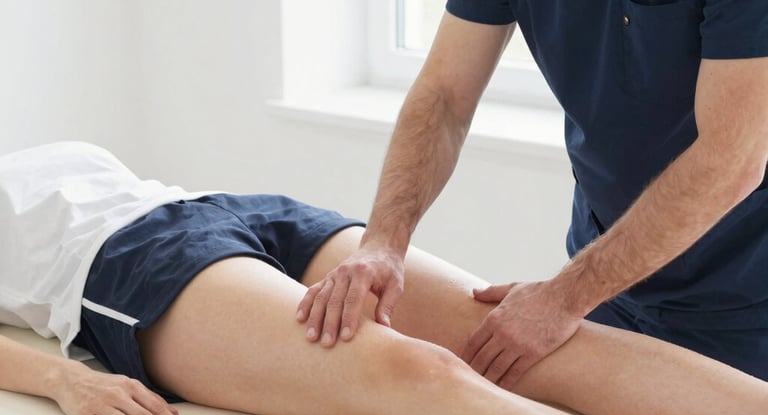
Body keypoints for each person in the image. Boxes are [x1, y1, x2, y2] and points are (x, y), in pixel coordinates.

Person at [1, 142, 768, 415]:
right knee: (420, 376)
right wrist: (62, 378)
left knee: (528, 340)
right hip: (122, 266)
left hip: (242, 210)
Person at [300, 2, 768, 387]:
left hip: (747, 297)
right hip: (610, 277)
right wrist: (384, 240)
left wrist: (563, 299)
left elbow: (732, 160)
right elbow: (444, 95)